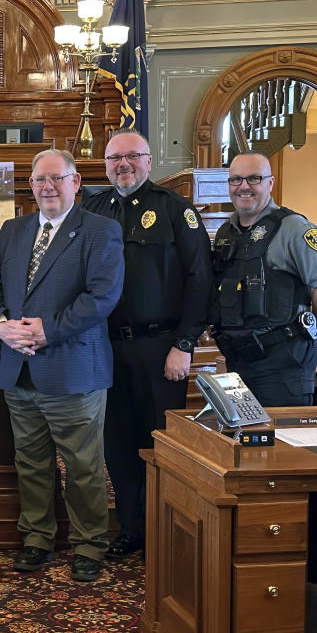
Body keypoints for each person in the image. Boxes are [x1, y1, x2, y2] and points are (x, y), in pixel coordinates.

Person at [0, 149, 123, 582]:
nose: (47, 187)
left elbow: (101, 297)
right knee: (32, 463)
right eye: (40, 180)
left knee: (82, 465)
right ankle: (37, 538)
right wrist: (0, 326)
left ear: (75, 182)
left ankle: (89, 544)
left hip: (73, 369)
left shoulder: (101, 231)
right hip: (19, 370)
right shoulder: (14, 229)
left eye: (56, 179)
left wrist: (48, 330)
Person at [82, 129, 213, 559]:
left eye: (132, 156)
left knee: (162, 443)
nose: (123, 164)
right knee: (116, 442)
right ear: (104, 164)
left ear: (149, 160)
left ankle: (165, 529)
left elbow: (200, 279)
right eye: (114, 158)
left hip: (160, 348)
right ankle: (131, 528)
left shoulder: (176, 211)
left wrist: (186, 342)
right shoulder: (91, 209)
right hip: (105, 348)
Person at [212, 150, 317, 406]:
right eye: (236, 180)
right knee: (242, 442)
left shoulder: (294, 229)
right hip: (238, 363)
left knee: (282, 442)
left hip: (283, 366)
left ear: (270, 183)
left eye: (254, 179)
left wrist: (306, 329)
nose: (243, 187)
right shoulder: (226, 232)